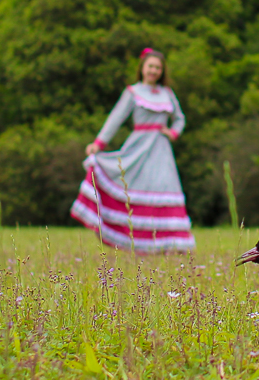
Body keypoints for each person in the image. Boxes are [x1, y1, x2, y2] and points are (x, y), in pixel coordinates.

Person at [70, 48, 195, 253]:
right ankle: (132, 242)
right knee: (132, 187)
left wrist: (173, 132)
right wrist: (98, 144)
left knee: (163, 187)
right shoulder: (133, 92)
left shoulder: (167, 93)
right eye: (150, 66)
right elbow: (115, 119)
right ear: (143, 68)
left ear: (162, 71)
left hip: (161, 149)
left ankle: (169, 245)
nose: (154, 71)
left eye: (158, 67)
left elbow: (180, 118)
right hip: (138, 147)